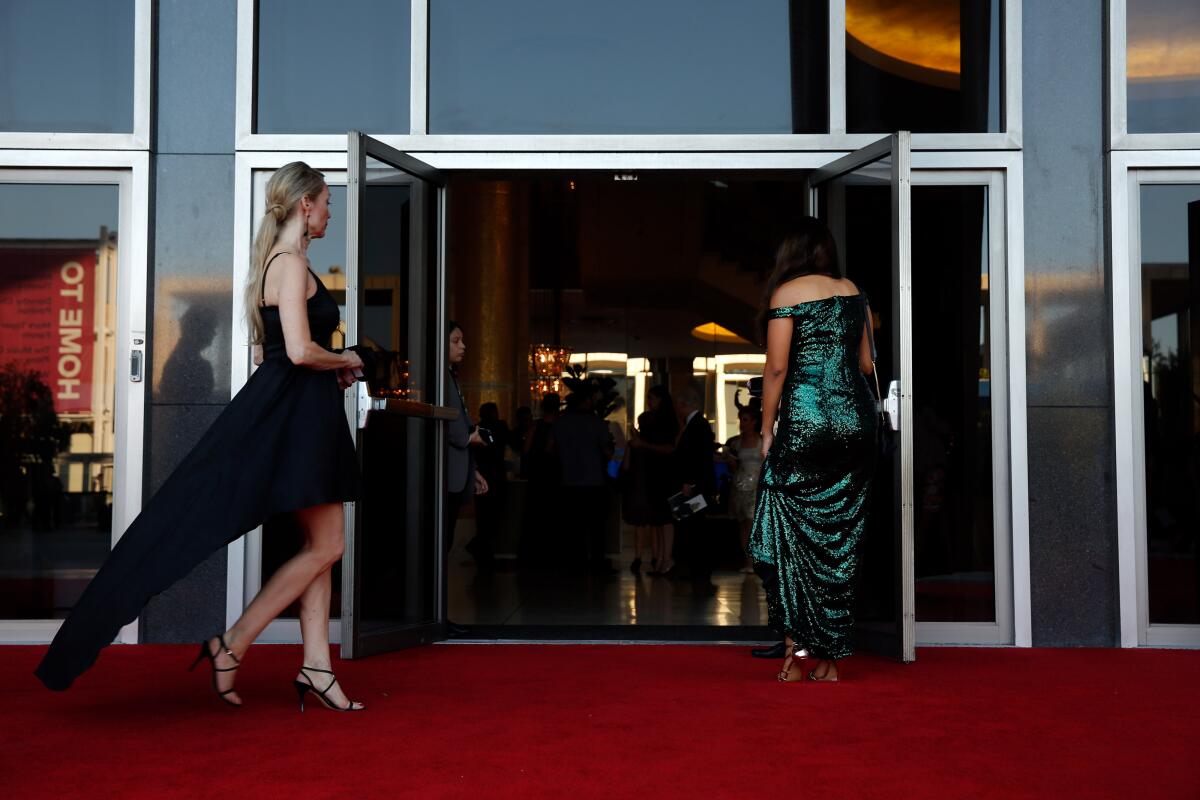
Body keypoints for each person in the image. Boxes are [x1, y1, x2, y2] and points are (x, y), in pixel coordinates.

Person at [35, 161, 368, 710]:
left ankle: (315, 666)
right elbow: (302, 351)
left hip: (303, 415)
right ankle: (232, 643)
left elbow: (274, 353)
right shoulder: (287, 264)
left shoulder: (281, 263)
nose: (332, 211)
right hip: (300, 421)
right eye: (328, 200)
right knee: (329, 545)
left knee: (320, 549)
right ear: (305, 204)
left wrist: (334, 367)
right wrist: (347, 358)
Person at [750, 217, 879, 683]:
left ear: (790, 252)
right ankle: (827, 660)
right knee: (840, 539)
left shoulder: (786, 294)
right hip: (856, 423)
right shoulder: (852, 290)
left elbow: (777, 369)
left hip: (808, 422)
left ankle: (795, 657)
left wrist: (766, 429)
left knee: (787, 535)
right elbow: (865, 363)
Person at [445, 322, 489, 618]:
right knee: (440, 543)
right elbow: (450, 424)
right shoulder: (439, 378)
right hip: (445, 472)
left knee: (446, 543)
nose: (463, 346)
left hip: (458, 467)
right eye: (456, 341)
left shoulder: (451, 376)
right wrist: (468, 437)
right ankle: (435, 617)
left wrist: (472, 468)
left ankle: (440, 615)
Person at [550, 389, 614, 573]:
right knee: (596, 527)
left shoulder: (560, 423)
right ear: (586, 402)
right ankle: (596, 562)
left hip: (568, 480)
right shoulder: (596, 423)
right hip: (594, 481)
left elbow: (549, 449)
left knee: (572, 527)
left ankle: (575, 562)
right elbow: (607, 452)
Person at [623, 386, 678, 575]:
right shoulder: (664, 422)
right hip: (655, 475)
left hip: (662, 476)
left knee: (664, 519)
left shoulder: (666, 423)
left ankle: (665, 558)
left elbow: (669, 449)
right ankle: (661, 558)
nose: (649, 402)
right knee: (660, 519)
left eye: (652, 398)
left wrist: (642, 443)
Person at [671, 384, 717, 596]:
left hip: (695, 487)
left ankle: (697, 568)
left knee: (694, 527)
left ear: (683, 405)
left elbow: (695, 458)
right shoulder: (696, 424)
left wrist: (688, 481)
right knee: (691, 525)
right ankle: (693, 567)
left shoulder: (697, 426)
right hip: (695, 486)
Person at [723, 395, 763, 573]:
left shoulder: (763, 442)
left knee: (752, 521)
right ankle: (748, 561)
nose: (742, 423)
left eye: (745, 420)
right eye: (740, 420)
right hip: (739, 485)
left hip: (756, 487)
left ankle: (755, 559)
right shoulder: (736, 443)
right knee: (743, 524)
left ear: (754, 422)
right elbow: (733, 465)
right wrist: (729, 461)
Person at [470, 401, 509, 567]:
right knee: (492, 519)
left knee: (484, 518)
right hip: (495, 477)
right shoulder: (500, 427)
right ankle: (483, 550)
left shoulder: (477, 429)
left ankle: (482, 551)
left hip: (482, 475)